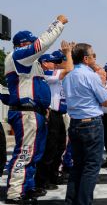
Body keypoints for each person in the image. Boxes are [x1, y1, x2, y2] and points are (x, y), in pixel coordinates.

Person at [4, 15, 68, 204]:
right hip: (26, 112)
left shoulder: (32, 64)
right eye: (30, 43)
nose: (33, 46)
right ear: (22, 44)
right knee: (25, 153)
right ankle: (15, 192)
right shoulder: (18, 56)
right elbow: (41, 45)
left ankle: (27, 187)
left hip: (35, 113)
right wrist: (58, 24)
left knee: (34, 154)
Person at [63, 43, 107, 205]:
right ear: (85, 58)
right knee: (91, 167)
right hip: (91, 124)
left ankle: (71, 201)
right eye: (92, 55)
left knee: (78, 166)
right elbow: (105, 101)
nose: (93, 57)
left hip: (75, 123)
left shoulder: (68, 76)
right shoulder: (91, 76)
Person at [35, 42, 73, 192]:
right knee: (49, 149)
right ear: (44, 63)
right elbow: (69, 68)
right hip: (51, 115)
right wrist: (68, 53)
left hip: (59, 115)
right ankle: (42, 180)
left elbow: (71, 68)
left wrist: (71, 53)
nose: (58, 64)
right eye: (54, 62)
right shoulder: (48, 74)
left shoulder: (56, 74)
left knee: (59, 147)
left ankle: (52, 175)